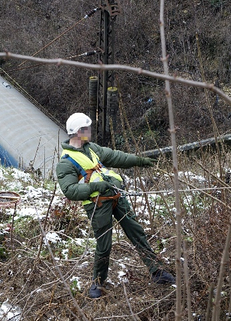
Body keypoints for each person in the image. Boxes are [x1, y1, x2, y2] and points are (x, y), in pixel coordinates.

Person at [56, 113, 175, 299]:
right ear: (79, 132)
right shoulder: (66, 162)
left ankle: (157, 271)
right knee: (104, 245)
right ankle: (98, 283)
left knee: (136, 232)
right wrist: (95, 187)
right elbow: (70, 190)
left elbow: (115, 156)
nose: (91, 131)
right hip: (97, 205)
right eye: (87, 128)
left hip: (116, 197)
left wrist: (139, 161)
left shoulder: (92, 148)